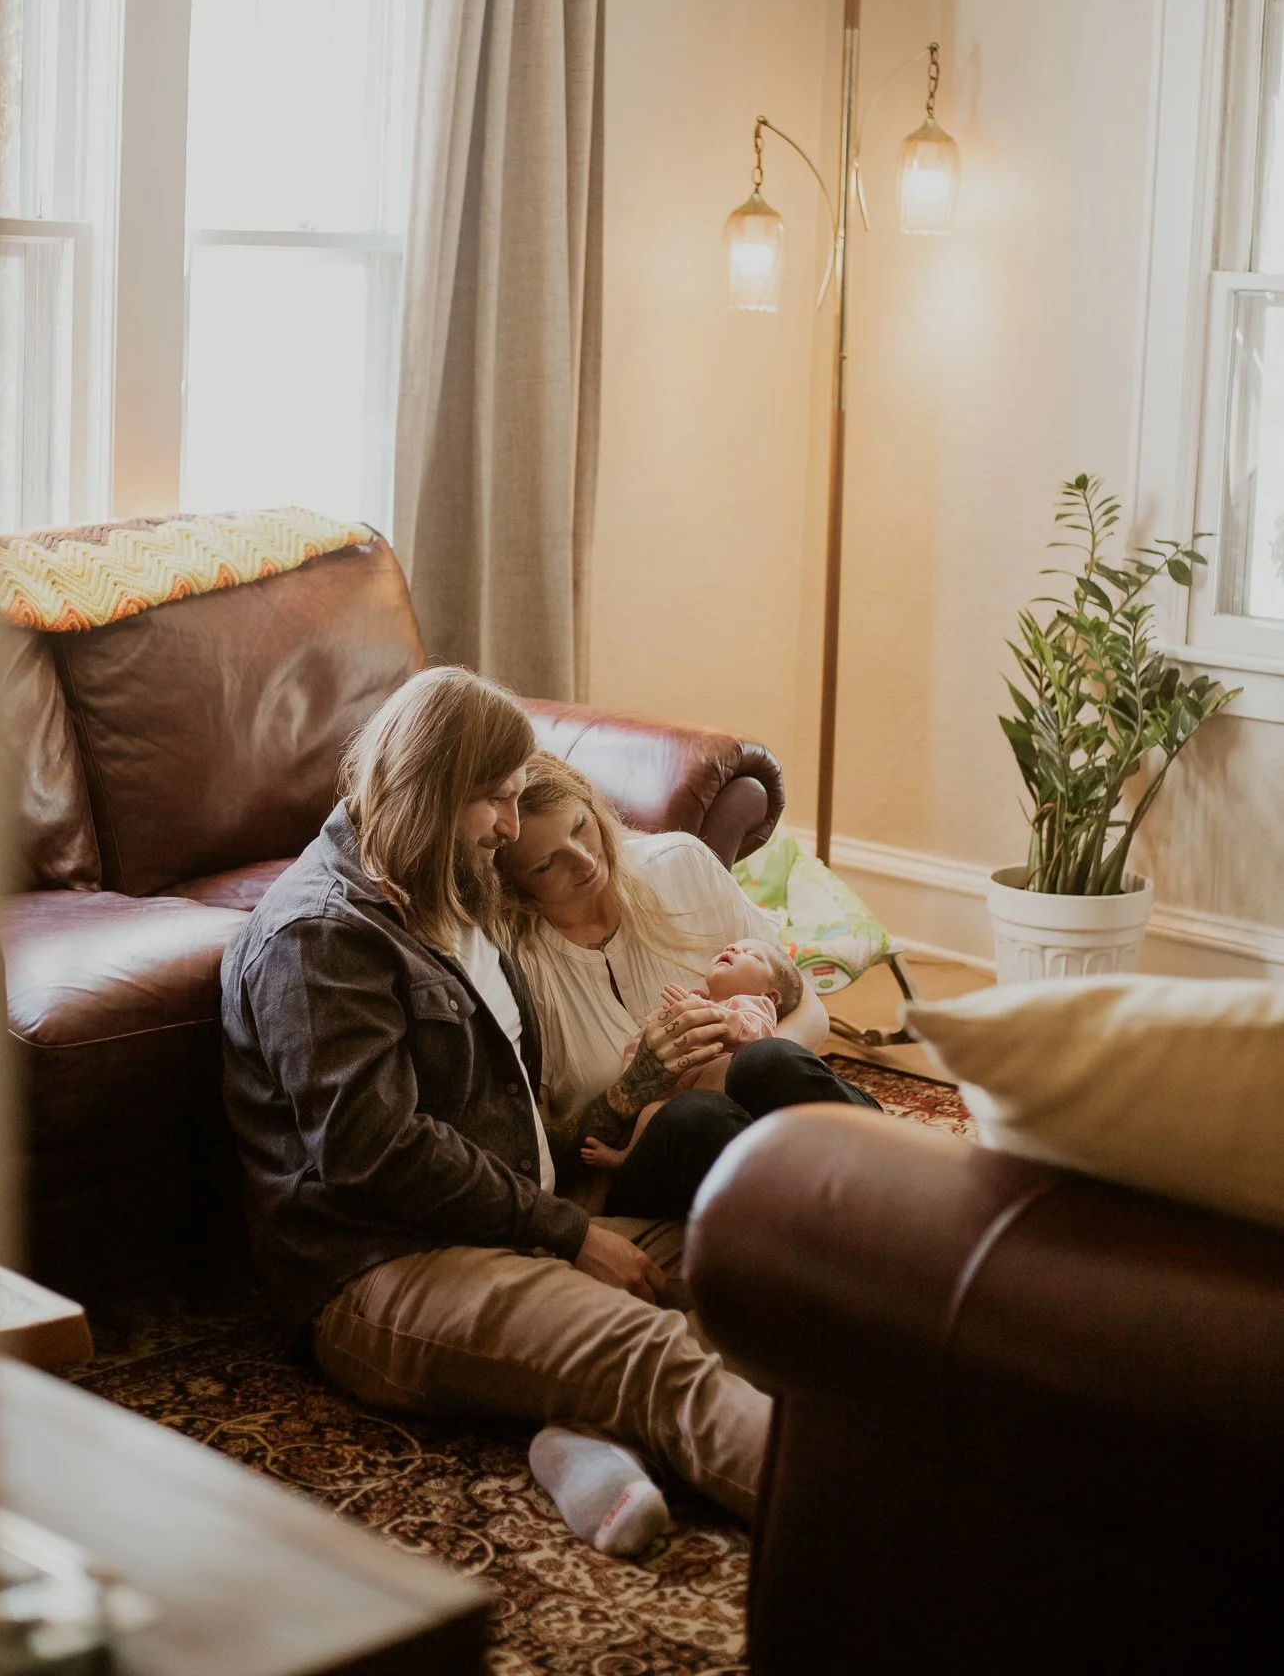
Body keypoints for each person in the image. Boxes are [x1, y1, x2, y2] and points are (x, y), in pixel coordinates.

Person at [219, 667, 770, 1559]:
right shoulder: (318, 937)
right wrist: (566, 1233)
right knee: (654, 1353)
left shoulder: (454, 898)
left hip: (507, 1222)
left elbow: (499, 1113)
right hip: (382, 1268)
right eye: (495, 802)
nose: (510, 830)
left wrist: (621, 1109)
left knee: (761, 1268)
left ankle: (585, 1441)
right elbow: (373, 1150)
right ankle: (878, 1528)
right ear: (430, 791)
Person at [497, 752, 881, 1219]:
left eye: (581, 827)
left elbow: (809, 1009)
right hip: (644, 1166)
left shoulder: (680, 864)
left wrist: (740, 1054)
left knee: (766, 1061)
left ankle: (897, 1185)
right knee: (695, 1117)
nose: (584, 861)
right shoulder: (513, 963)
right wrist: (635, 1086)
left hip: (757, 1117)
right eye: (545, 865)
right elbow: (532, 1152)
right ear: (512, 884)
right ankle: (848, 1225)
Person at [579, 937, 801, 1175]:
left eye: (752, 954)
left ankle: (625, 1161)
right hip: (675, 1102)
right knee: (649, 1113)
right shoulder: (689, 1000)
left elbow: (757, 1037)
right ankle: (620, 1167)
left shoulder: (752, 1005)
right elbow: (643, 1043)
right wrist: (634, 1070)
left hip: (720, 1100)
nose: (733, 948)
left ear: (770, 995)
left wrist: (708, 1014)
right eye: (731, 946)